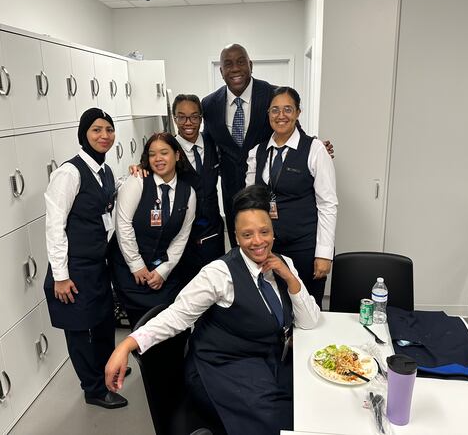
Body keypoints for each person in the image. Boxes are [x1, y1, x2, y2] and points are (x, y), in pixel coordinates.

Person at [105, 185, 320, 435]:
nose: (258, 241)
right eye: (247, 234)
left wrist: (290, 278)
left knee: (307, 402)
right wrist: (126, 344)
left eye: (264, 232)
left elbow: (309, 322)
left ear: (273, 232)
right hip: (222, 367)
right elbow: (177, 315)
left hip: (265, 360)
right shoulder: (219, 274)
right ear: (236, 237)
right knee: (280, 421)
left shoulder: (285, 264)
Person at [202, 43, 333, 246]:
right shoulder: (209, 104)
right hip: (232, 191)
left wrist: (314, 148)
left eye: (240, 62)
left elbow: (290, 127)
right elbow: (207, 144)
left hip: (269, 192)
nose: (235, 68)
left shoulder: (272, 95)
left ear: (251, 65)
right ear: (221, 71)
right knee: (243, 250)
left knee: (268, 247)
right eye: (228, 64)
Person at [43, 108, 127, 409]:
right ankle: (93, 389)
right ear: (84, 134)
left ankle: (107, 366)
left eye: (109, 129)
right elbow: (54, 226)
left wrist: (133, 176)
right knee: (79, 332)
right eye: (96, 130)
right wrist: (61, 276)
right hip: (73, 268)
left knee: (104, 322)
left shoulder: (103, 170)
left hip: (97, 265)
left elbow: (110, 198)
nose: (104, 135)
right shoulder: (69, 173)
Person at [246, 87, 338, 307]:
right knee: (273, 305)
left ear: (298, 112)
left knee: (306, 306)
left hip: (305, 247)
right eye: (275, 110)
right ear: (268, 114)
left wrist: (324, 254)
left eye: (288, 109)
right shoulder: (257, 153)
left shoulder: (315, 149)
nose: (281, 115)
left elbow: (328, 204)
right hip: (269, 246)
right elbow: (250, 202)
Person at [108, 132, 196, 330]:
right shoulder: (137, 181)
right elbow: (123, 225)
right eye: (152, 154)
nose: (158, 159)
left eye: (164, 153)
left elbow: (182, 237)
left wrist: (163, 271)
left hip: (163, 270)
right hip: (131, 271)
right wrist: (136, 265)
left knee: (171, 328)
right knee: (140, 331)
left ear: (177, 155)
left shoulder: (187, 192)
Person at [172, 94, 225, 285]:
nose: (188, 123)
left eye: (194, 117)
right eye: (182, 117)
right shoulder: (168, 147)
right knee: (187, 289)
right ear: (174, 118)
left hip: (213, 231)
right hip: (181, 234)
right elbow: (149, 167)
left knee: (216, 284)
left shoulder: (213, 141)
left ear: (201, 118)